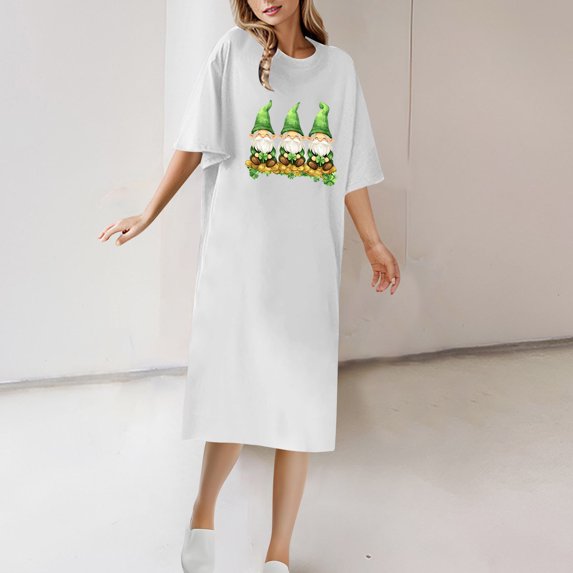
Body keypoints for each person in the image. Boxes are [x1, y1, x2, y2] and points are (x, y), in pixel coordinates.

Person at [97, 1, 400, 571]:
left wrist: (372, 241)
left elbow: (350, 167)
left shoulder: (338, 70)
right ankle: (202, 514)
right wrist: (149, 211)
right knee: (232, 397)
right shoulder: (232, 53)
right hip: (240, 264)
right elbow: (194, 141)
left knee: (300, 406)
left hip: (306, 268)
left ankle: (278, 553)